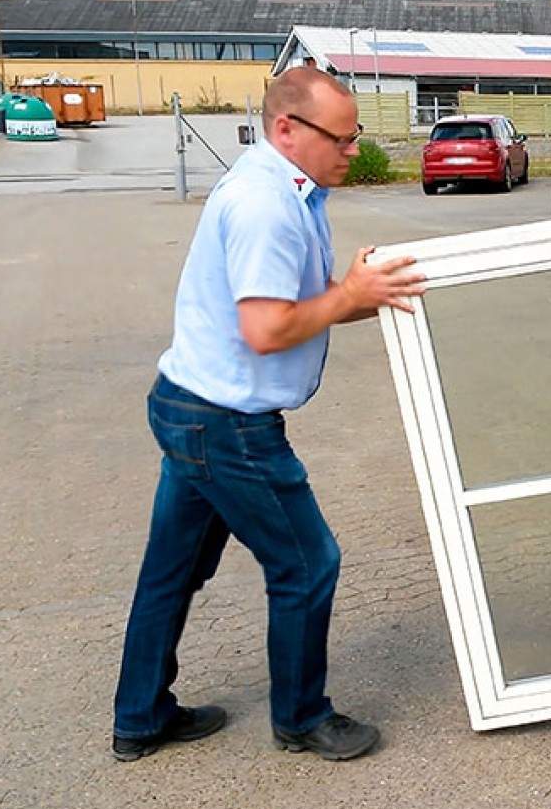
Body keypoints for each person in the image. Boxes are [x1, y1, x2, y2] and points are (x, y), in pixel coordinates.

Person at [111, 67, 424, 762]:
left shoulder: (285, 189)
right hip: (226, 425)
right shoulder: (265, 205)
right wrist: (349, 296)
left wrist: (365, 295)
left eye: (354, 136)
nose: (353, 151)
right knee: (308, 563)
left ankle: (140, 715)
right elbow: (267, 328)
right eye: (341, 138)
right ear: (287, 128)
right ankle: (303, 717)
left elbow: (300, 303)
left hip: (192, 406)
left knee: (171, 571)